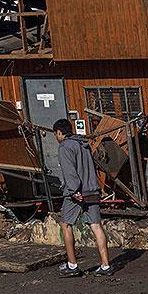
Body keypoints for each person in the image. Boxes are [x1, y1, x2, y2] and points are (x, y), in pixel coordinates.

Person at [52, 118, 114, 277]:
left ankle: (72, 264)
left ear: (59, 133)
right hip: (92, 190)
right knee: (96, 225)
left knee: (65, 224)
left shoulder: (65, 147)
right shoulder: (83, 144)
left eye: (56, 134)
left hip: (77, 192)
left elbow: (69, 171)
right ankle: (106, 265)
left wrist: (73, 191)